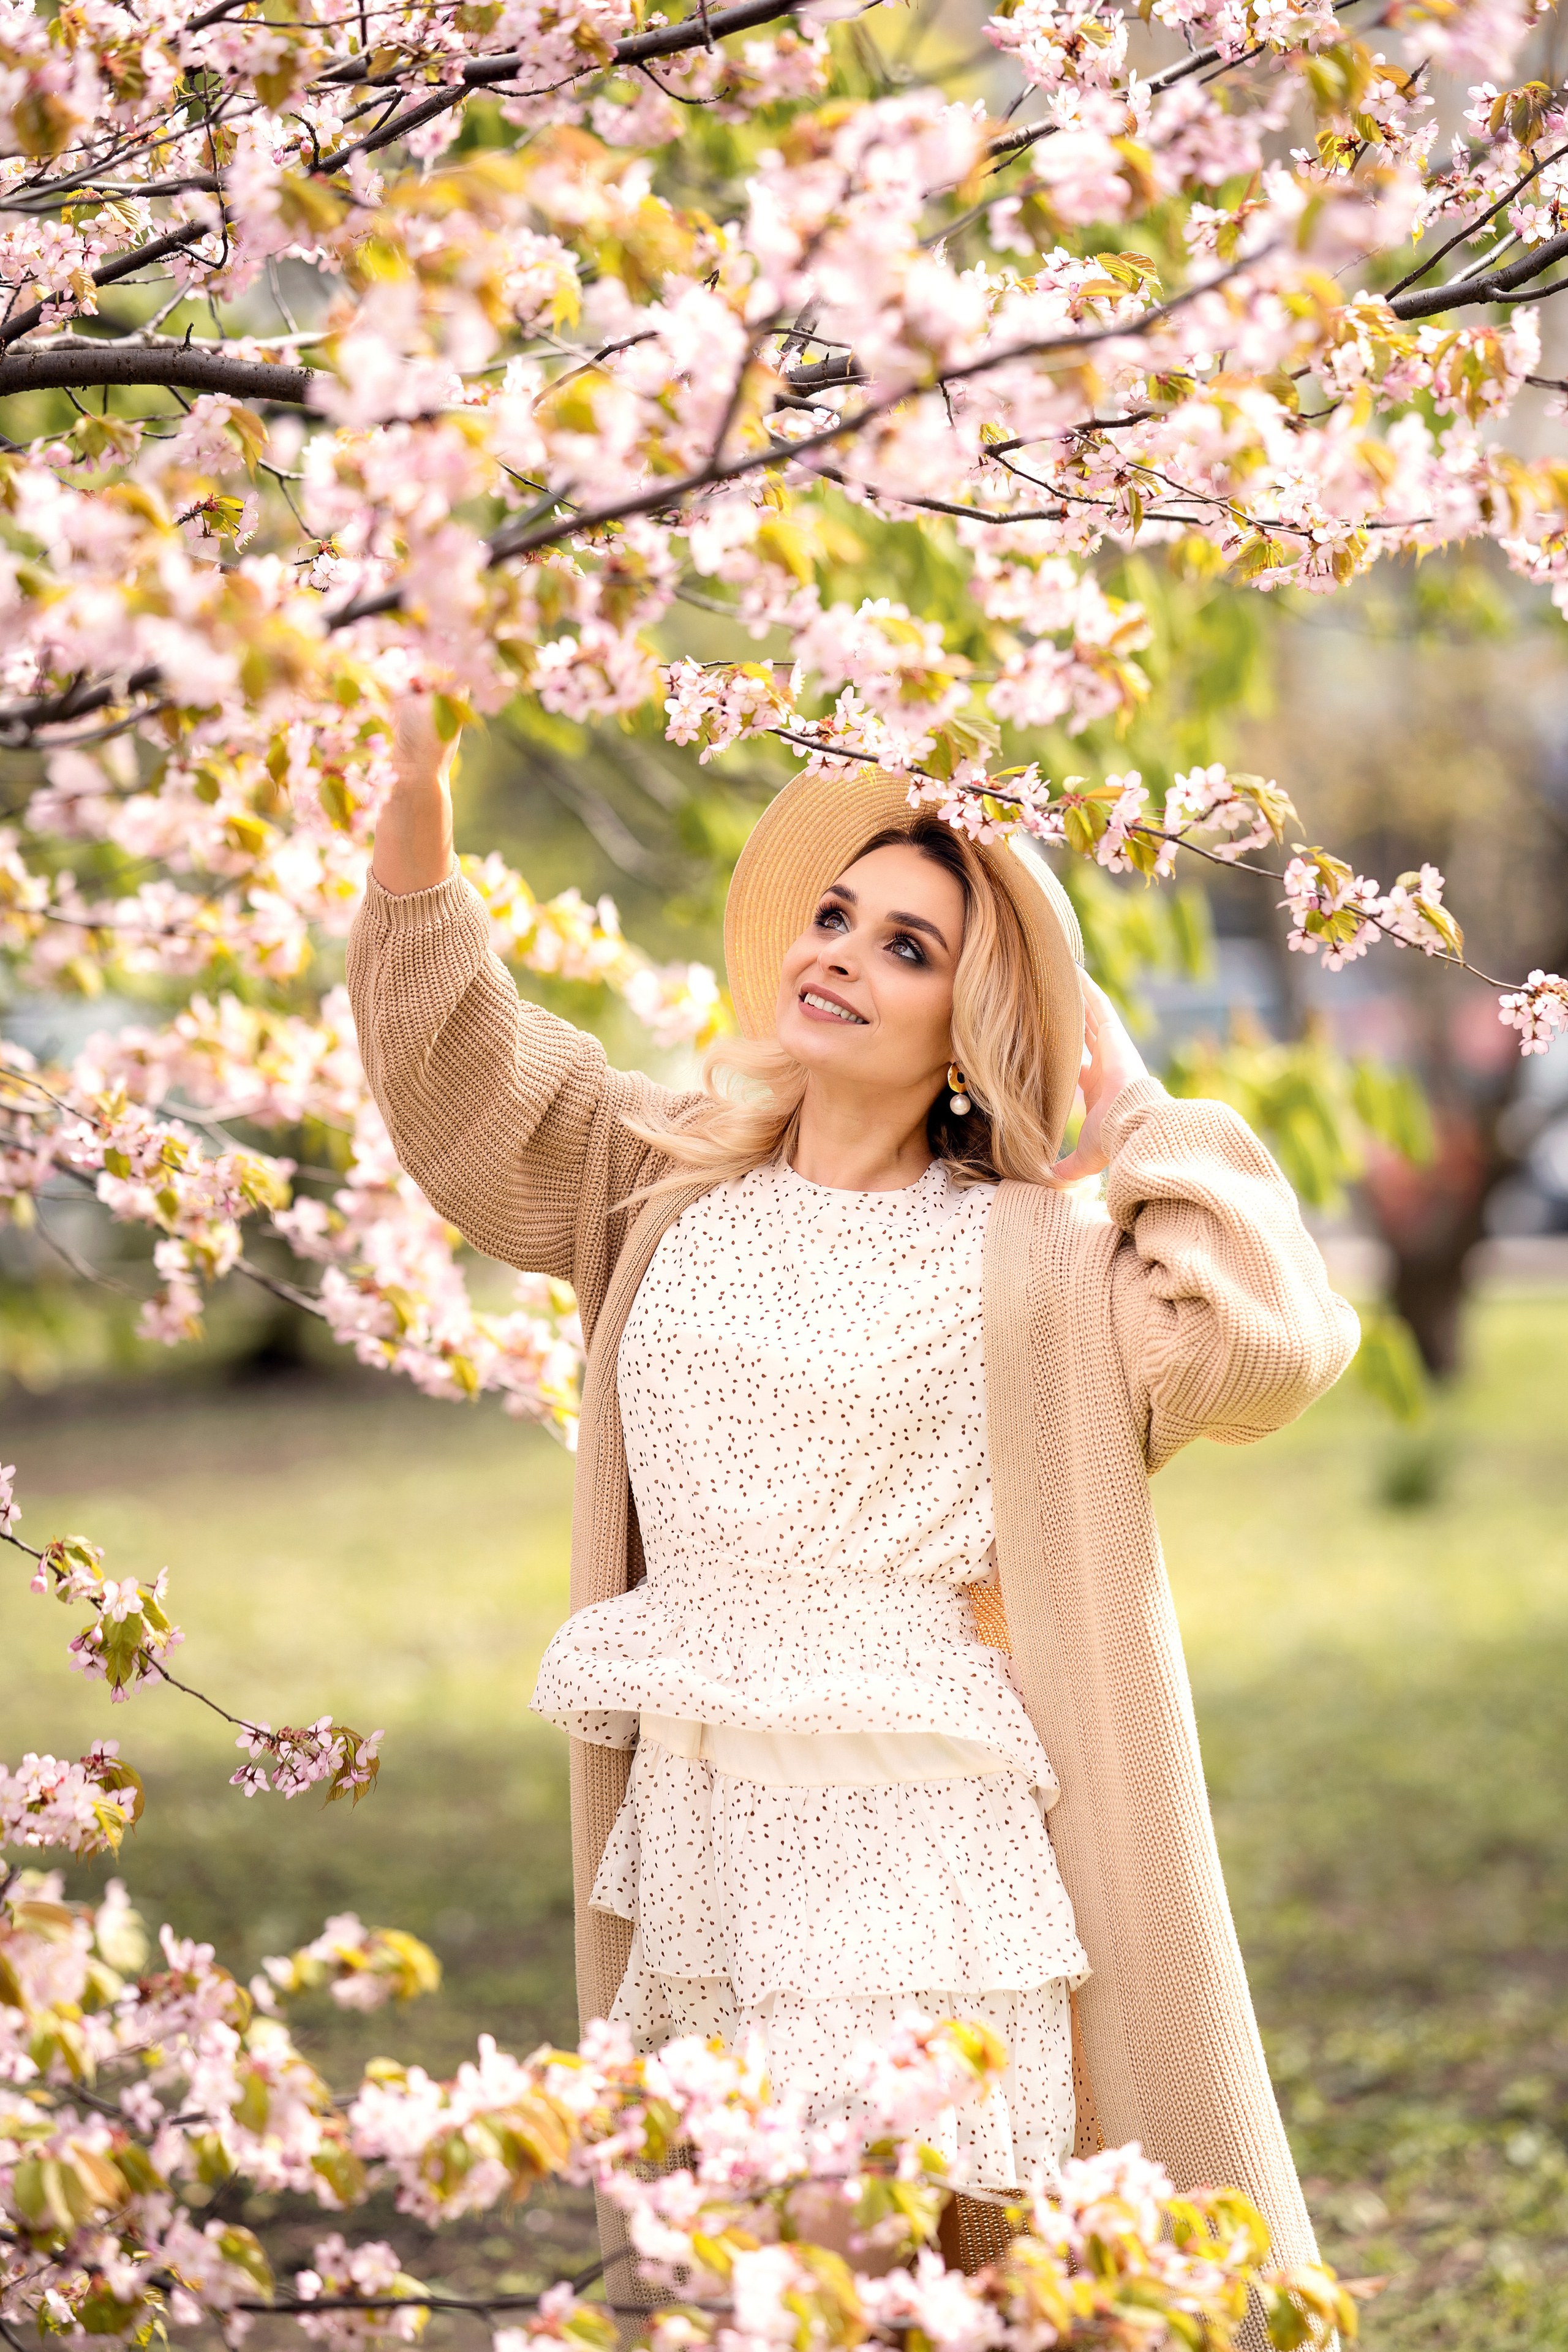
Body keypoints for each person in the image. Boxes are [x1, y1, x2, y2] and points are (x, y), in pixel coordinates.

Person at [347, 705, 1359, 2272]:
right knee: (744, 2249)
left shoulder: (1028, 1255)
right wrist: (415, 804)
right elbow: (473, 1084)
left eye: (905, 946)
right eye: (833, 918)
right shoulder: (660, 1180)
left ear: (969, 1019)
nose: (839, 953)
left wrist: (1134, 1100)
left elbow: (1260, 1344)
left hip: (906, 1825)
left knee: (893, 2242)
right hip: (699, 1809)